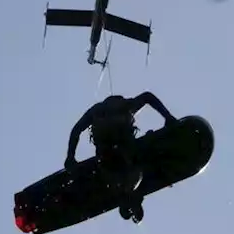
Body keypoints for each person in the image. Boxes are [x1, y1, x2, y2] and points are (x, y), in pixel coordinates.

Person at [65, 91, 179, 223]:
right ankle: (128, 193)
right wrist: (168, 116)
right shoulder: (125, 105)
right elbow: (148, 97)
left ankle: (125, 192)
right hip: (124, 151)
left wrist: (70, 156)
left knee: (116, 169)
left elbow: (76, 130)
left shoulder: (97, 110)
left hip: (108, 153)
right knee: (132, 163)